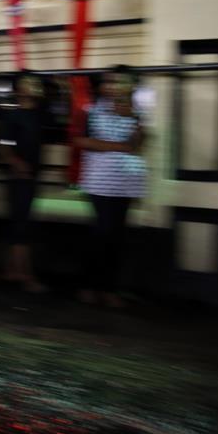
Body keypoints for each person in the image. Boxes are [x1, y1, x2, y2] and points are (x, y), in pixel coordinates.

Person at [75, 66, 146, 309]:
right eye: (110, 82)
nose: (114, 87)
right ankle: (88, 285)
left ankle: (108, 289)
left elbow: (137, 145)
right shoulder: (91, 110)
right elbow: (81, 140)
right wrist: (117, 146)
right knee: (102, 232)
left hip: (126, 182)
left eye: (120, 82)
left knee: (117, 236)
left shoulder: (136, 111)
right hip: (99, 181)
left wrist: (135, 121)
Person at [0, 74, 48, 294]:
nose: (32, 87)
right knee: (21, 225)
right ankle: (24, 275)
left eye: (34, 83)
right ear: (19, 90)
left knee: (21, 222)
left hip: (31, 176)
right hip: (20, 177)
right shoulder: (14, 116)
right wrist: (16, 162)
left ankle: (11, 270)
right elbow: (3, 145)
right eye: (27, 84)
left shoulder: (39, 115)